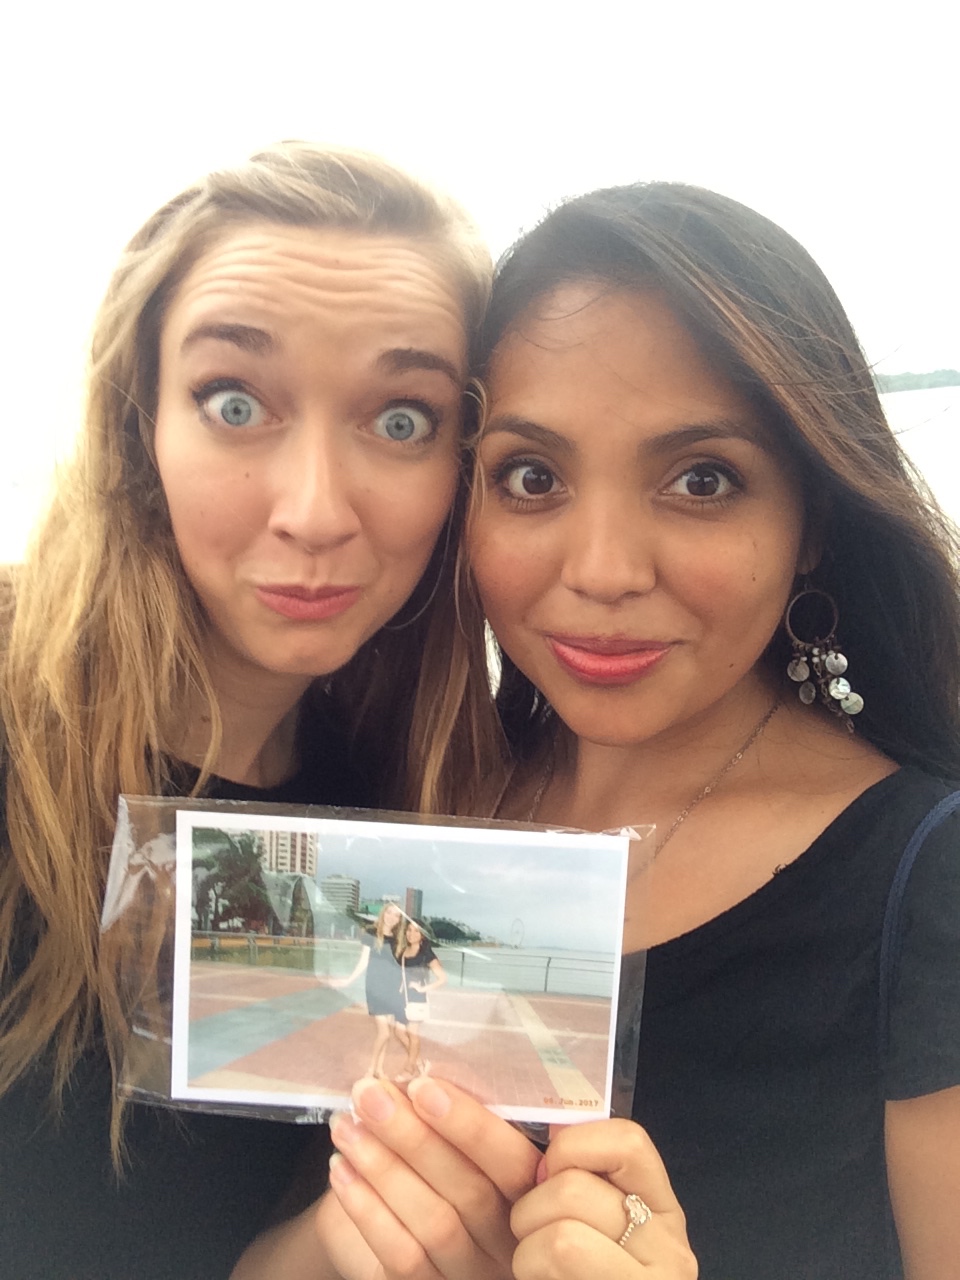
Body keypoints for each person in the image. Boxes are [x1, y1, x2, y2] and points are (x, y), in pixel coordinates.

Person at [280, 183, 959, 1280]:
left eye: (702, 479)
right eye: (532, 477)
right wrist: (346, 1237)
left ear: (814, 520)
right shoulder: (415, 811)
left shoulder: (927, 881)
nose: (602, 570)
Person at [0, 140, 495, 1280]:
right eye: (235, 403)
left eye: (403, 419)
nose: (314, 511)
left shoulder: (401, 807)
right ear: (138, 423)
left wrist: (345, 1242)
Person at [329, 903, 410, 1078]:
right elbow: (363, 961)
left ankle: (379, 1070)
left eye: (396, 915)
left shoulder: (399, 939)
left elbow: (400, 967)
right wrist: (348, 980)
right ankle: (371, 1069)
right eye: (389, 912)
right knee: (384, 1033)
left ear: (399, 920)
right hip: (375, 987)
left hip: (393, 988)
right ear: (383, 913)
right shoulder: (371, 933)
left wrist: (404, 987)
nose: (391, 917)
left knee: (386, 1033)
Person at [395, 918, 446, 1082]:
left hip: (417, 998)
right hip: (403, 998)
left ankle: (410, 1069)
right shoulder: (404, 952)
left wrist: (422, 989)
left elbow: (442, 978)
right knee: (399, 1032)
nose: (412, 934)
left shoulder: (426, 954)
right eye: (409, 930)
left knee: (412, 1034)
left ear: (422, 935)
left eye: (416, 931)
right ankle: (420, 1063)